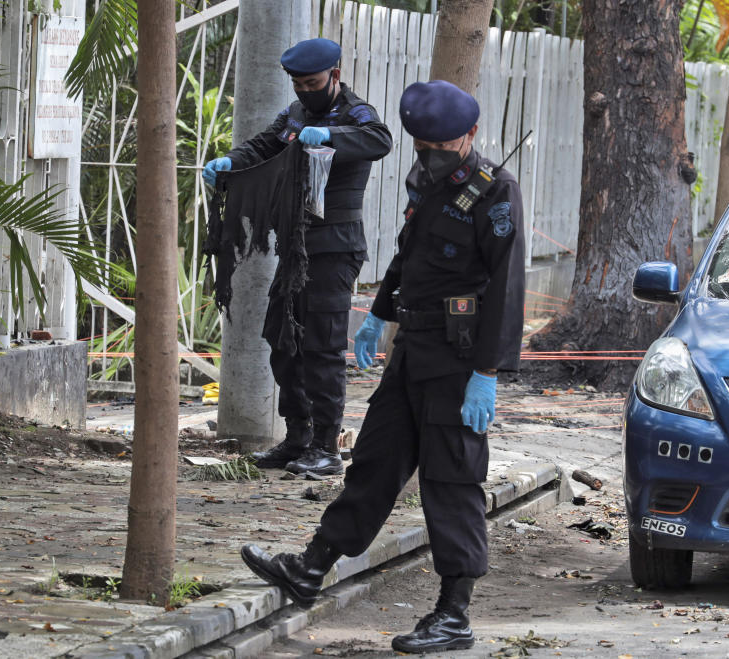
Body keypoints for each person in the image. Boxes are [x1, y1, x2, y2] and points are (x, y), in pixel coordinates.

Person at [239, 80, 525, 653]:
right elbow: (409, 251)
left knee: (452, 481)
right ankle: (311, 567)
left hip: (458, 361)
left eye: (442, 145)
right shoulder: (428, 176)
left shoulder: (496, 192)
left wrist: (487, 372)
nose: (431, 154)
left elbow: (508, 289)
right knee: (373, 463)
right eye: (423, 145)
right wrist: (378, 314)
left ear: (469, 136)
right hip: (412, 351)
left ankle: (453, 614)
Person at [202, 39, 392, 476]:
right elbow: (262, 146)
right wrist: (228, 162)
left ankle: (327, 445)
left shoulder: (355, 114)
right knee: (282, 340)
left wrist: (330, 136)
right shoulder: (294, 114)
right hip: (296, 247)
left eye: (313, 83)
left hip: (335, 245)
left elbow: (378, 140)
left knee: (322, 348)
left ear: (335, 76)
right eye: (299, 84)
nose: (306, 90)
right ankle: (298, 437)